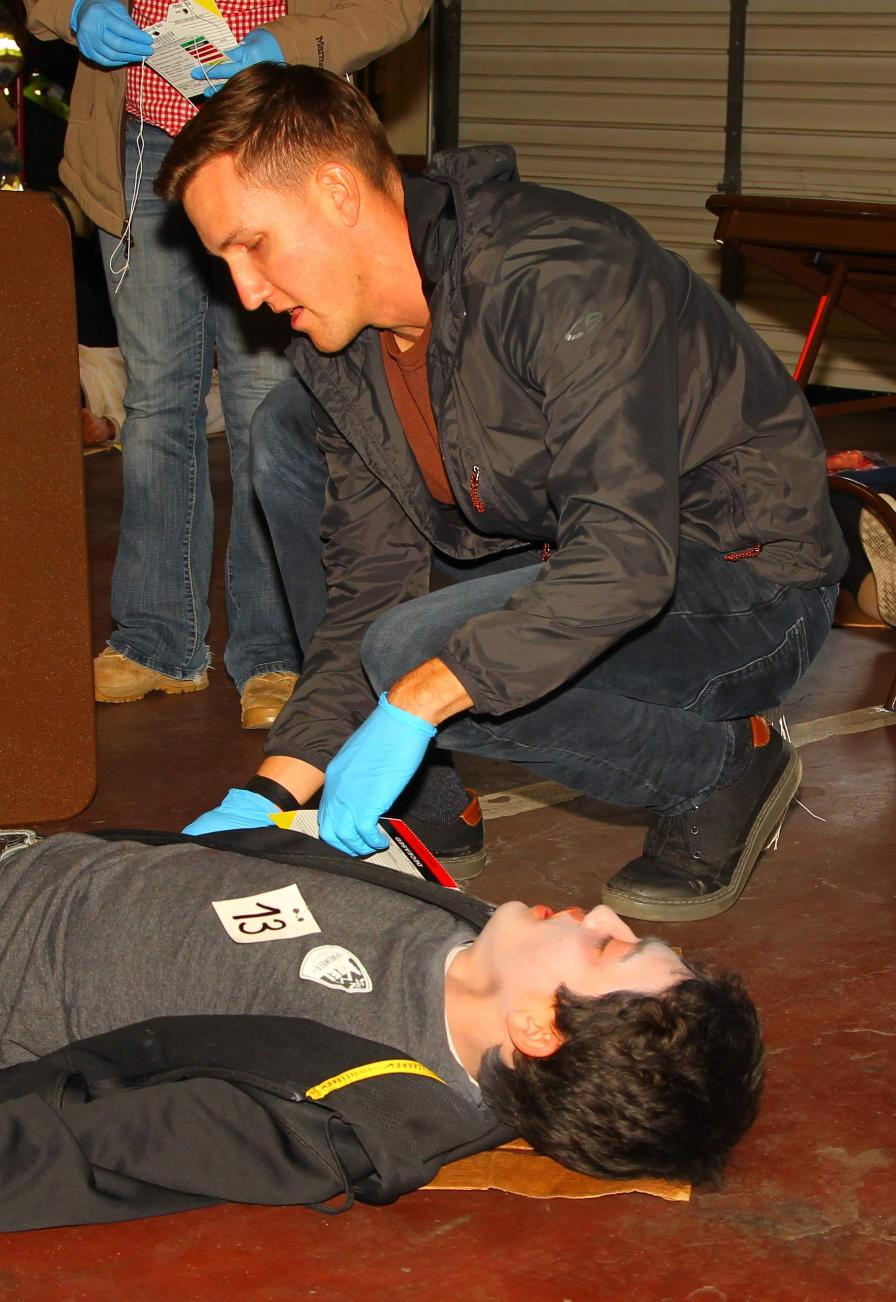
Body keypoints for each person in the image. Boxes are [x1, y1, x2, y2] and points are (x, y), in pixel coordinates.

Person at [159, 65, 848, 919]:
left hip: (747, 576)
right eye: (223, 260)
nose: (246, 292)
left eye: (252, 245)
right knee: (291, 436)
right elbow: (368, 589)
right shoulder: (346, 349)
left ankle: (724, 768)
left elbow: (627, 559)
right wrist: (274, 791)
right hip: (565, 548)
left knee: (416, 655)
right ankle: (427, 799)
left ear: (336, 192)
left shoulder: (560, 274)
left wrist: (418, 699)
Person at [0, 827, 763, 1230]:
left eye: (607, 949)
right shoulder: (484, 936)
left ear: (537, 1027)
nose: (599, 914)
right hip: (45, 855)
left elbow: (74, 1158)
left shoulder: (354, 1114)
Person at [24, 0, 431, 729]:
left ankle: (274, 651)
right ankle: (155, 639)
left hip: (270, 140)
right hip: (139, 142)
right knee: (154, 405)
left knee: (267, 409)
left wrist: (293, 41)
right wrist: (74, 9)